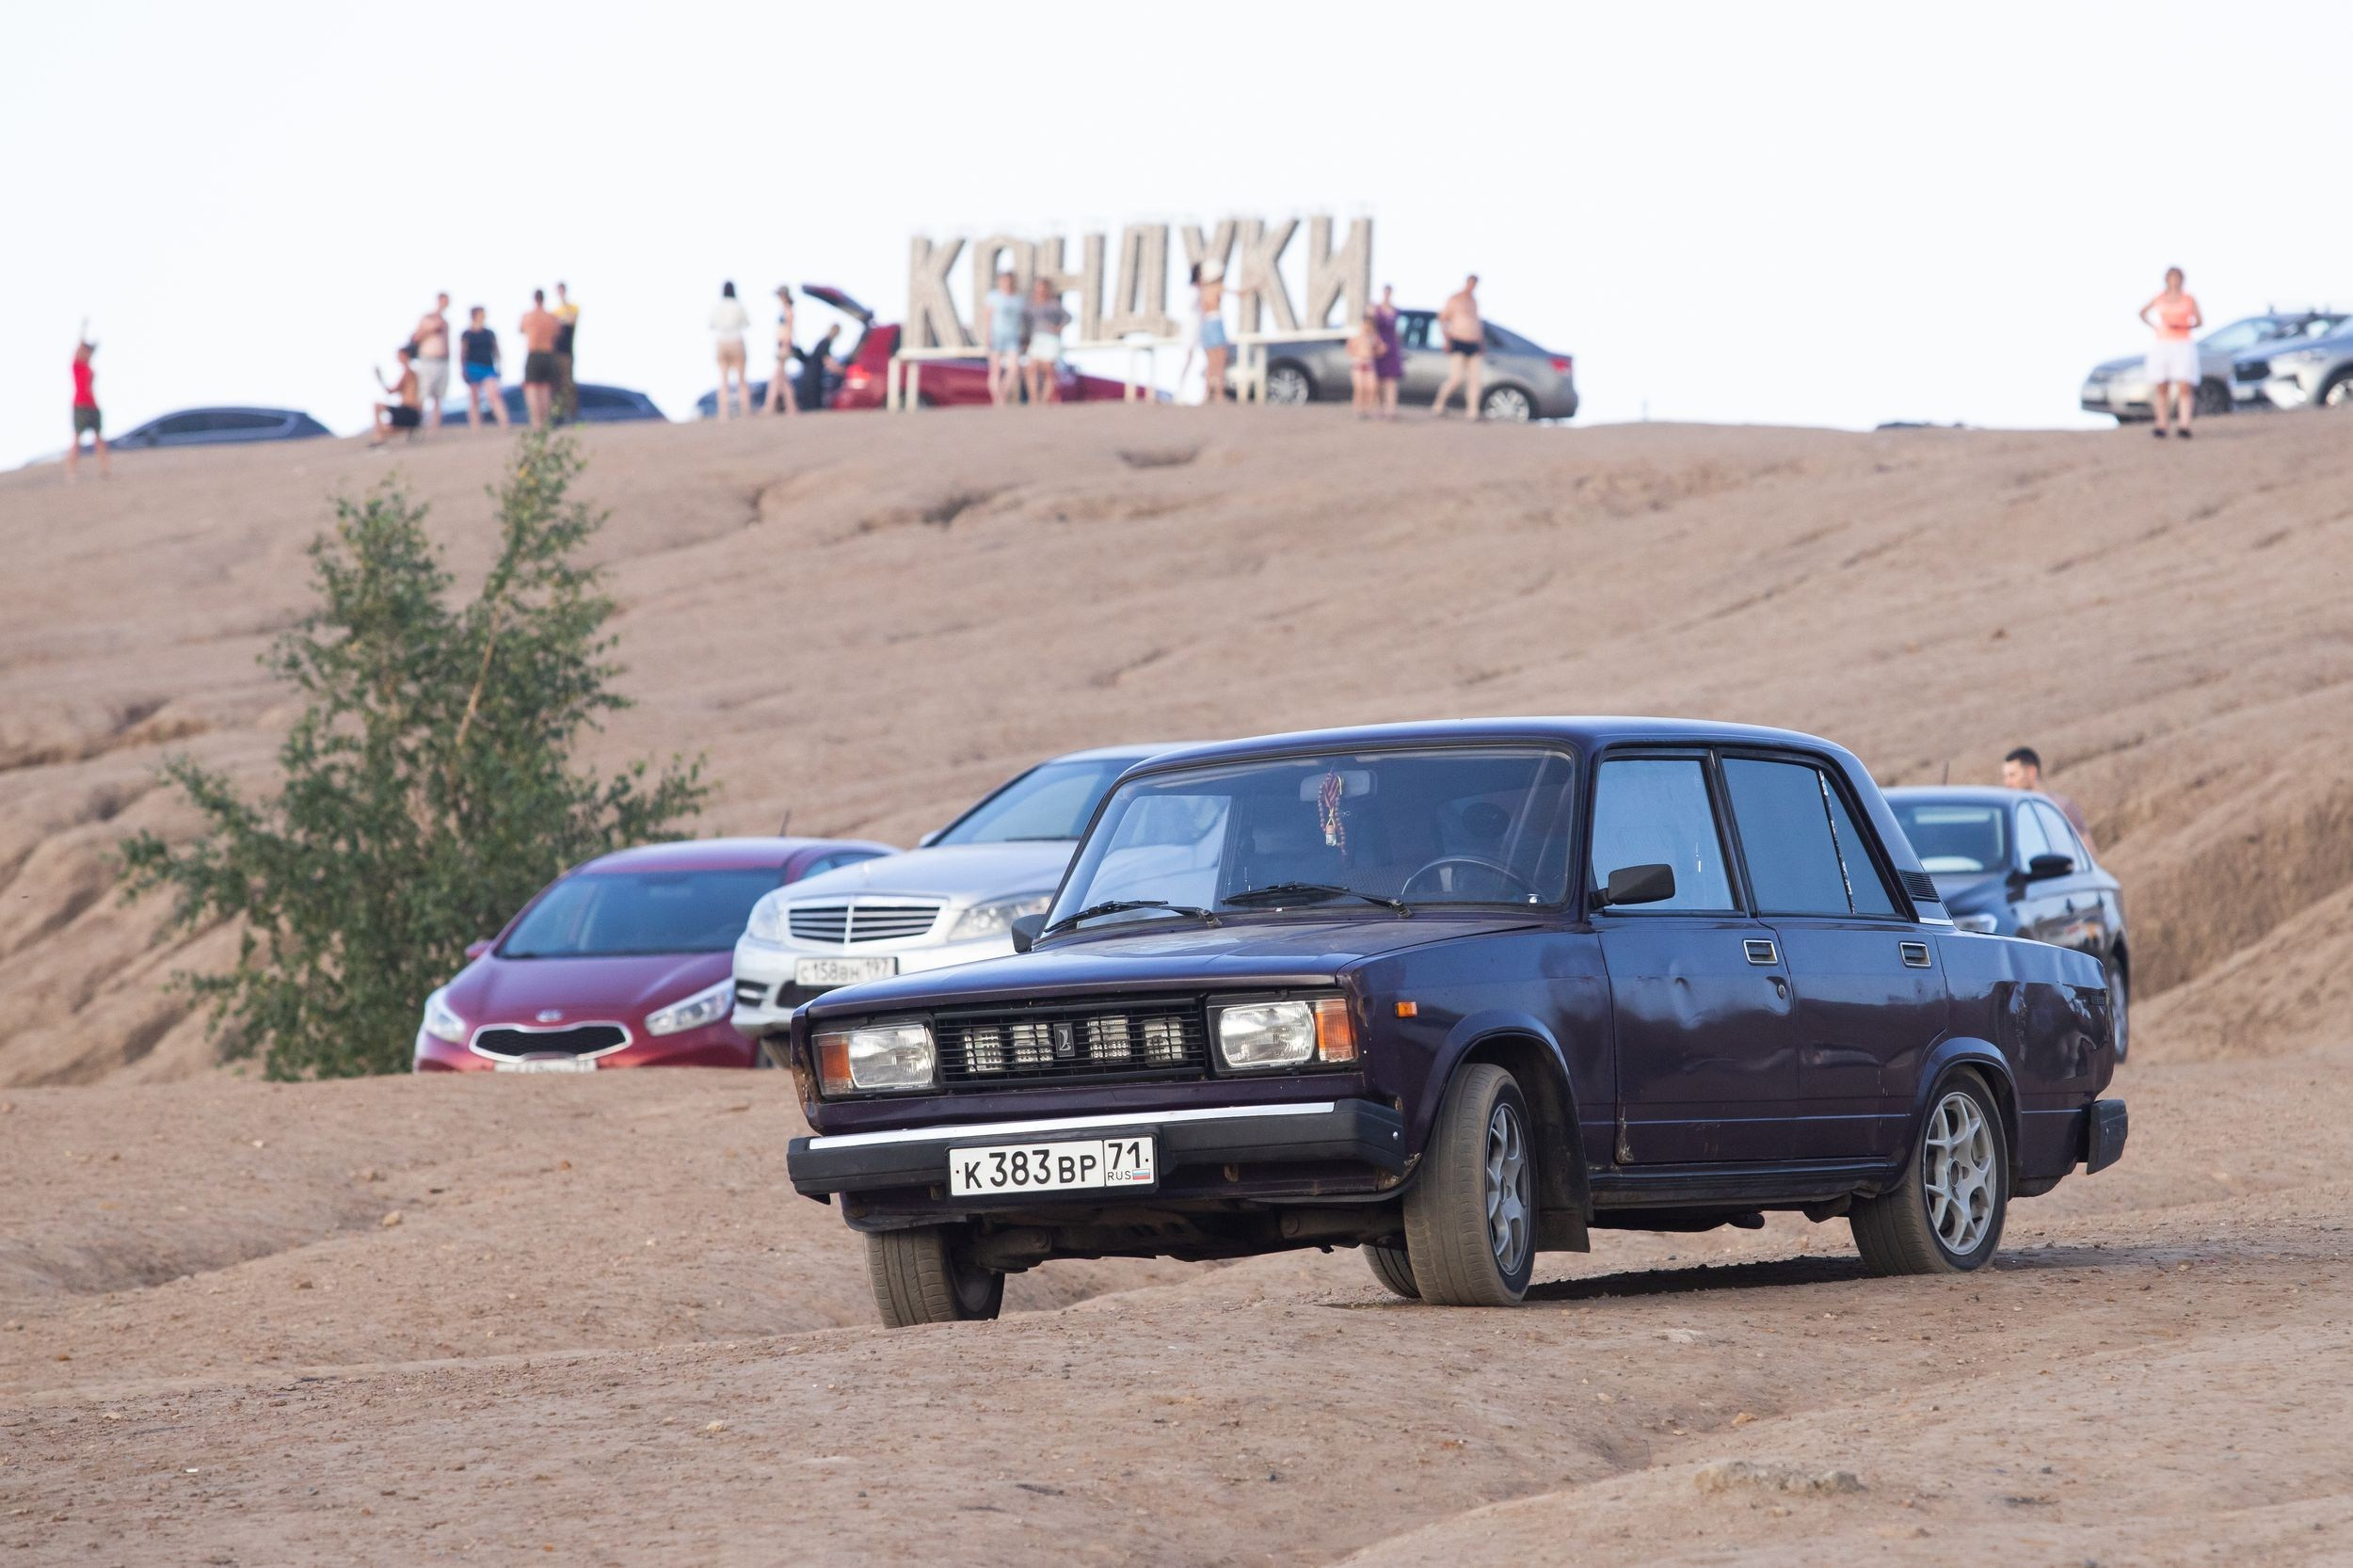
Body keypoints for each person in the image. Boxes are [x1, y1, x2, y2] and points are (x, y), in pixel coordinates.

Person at [2137, 267, 2203, 440]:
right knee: (2162, 384)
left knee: (2184, 385)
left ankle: (2184, 424)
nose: (2174, 281)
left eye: (2177, 278)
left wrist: (2184, 326)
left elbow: (2199, 321)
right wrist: (2156, 326)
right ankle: (2161, 423)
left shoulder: (2189, 299)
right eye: (2171, 278)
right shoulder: (2160, 298)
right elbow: (2142, 312)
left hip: (2182, 343)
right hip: (2163, 343)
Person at [2002, 746, 2092, 843]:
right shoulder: (2012, 811)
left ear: (2031, 772)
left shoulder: (2061, 807)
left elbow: (2087, 850)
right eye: (2005, 776)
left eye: (2012, 775)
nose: (2007, 782)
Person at [1431, 274, 1485, 419]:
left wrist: (1481, 343)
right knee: (1456, 378)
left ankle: (1473, 412)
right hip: (1458, 341)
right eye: (1471, 283)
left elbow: (1477, 323)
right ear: (1467, 282)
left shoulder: (1474, 301)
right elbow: (1443, 319)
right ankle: (1438, 405)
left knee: (1475, 380)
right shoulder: (1455, 299)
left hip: (1473, 343)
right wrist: (1446, 339)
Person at [66, 335, 109, 480]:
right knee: (77, 439)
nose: (88, 353)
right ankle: (71, 472)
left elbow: (91, 349)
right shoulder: (77, 365)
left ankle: (105, 469)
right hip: (80, 405)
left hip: (93, 405)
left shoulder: (88, 366)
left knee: (98, 438)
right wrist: (83, 329)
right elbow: (78, 349)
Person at [1023, 277, 1071, 406]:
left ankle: (1044, 400)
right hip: (1036, 339)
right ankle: (1034, 399)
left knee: (1049, 369)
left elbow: (1068, 317)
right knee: (1031, 368)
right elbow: (1026, 323)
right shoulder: (1030, 305)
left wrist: (1058, 328)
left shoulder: (1054, 304)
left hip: (1050, 339)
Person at [519, 289, 562, 431]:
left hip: (534, 353)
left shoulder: (528, 317)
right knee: (545, 390)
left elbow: (521, 330)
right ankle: (545, 422)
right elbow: (557, 334)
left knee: (532, 390)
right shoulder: (552, 317)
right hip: (548, 354)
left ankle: (536, 423)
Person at [458, 306, 506, 430]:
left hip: (488, 367)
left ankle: (504, 422)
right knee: (474, 398)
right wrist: (462, 369)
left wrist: (499, 366)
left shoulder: (489, 333)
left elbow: (497, 350)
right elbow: (463, 352)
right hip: (472, 367)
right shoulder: (467, 334)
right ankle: (476, 426)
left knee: (494, 395)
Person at [982, 269, 1026, 406]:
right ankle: (997, 400)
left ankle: (1002, 394)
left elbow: (1021, 321)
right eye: (1004, 280)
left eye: (1009, 280)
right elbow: (987, 317)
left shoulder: (1019, 299)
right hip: (996, 335)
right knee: (995, 370)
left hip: (1012, 337)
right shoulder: (993, 297)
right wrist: (987, 335)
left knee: (1014, 368)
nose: (1007, 283)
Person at [710, 280, 752, 419]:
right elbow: (746, 323)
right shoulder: (738, 306)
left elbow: (711, 324)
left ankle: (723, 413)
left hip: (721, 342)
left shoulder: (718, 307)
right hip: (736, 341)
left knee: (723, 380)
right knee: (741, 379)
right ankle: (745, 411)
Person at [369, 344, 424, 446]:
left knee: (377, 406)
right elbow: (391, 391)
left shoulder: (409, 372)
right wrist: (380, 379)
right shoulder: (412, 373)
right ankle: (410, 431)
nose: (397, 358)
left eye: (399, 355)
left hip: (409, 411)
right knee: (385, 429)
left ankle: (379, 438)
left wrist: (380, 378)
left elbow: (392, 390)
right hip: (411, 414)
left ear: (405, 356)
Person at [412, 293, 452, 432]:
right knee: (423, 393)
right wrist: (432, 329)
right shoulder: (427, 318)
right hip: (428, 360)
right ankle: (416, 425)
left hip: (443, 361)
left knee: (439, 396)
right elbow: (416, 337)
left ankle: (435, 427)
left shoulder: (445, 322)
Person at [1197, 261, 1231, 404]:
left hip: (1205, 324)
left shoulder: (1203, 290)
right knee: (1221, 360)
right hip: (1216, 323)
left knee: (1211, 362)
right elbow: (1238, 293)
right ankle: (1219, 394)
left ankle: (1206, 393)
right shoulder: (1218, 287)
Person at [764, 285, 799, 415]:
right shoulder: (785, 309)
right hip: (782, 344)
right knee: (782, 379)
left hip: (784, 345)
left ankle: (770, 407)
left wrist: (785, 346)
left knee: (778, 377)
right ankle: (790, 407)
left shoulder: (788, 310)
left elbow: (790, 329)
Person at [1372, 284, 1403, 421]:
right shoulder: (1376, 310)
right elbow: (1372, 328)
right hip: (1379, 346)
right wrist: (1378, 344)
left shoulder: (1396, 310)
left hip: (1392, 346)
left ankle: (1391, 409)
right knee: (1378, 380)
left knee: (1391, 380)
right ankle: (1379, 408)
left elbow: (1397, 331)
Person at [552, 282, 581, 424]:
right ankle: (559, 415)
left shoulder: (572, 308)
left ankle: (572, 415)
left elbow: (571, 320)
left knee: (568, 384)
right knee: (556, 385)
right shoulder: (555, 312)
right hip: (555, 352)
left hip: (566, 353)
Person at [1345, 308, 1380, 418]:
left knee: (1371, 388)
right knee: (1359, 388)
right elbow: (1349, 349)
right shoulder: (1357, 336)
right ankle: (1358, 409)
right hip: (1358, 363)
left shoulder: (1373, 337)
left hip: (1369, 364)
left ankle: (1366, 409)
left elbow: (1381, 349)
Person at [798, 323, 840, 414]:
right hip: (812, 373)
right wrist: (841, 370)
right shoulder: (826, 342)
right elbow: (828, 361)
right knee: (813, 404)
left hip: (813, 372)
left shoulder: (825, 342)